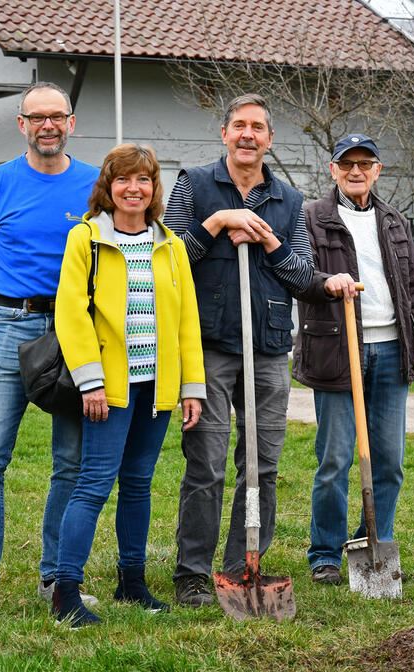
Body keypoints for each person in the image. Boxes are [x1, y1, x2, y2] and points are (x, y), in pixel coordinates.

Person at [0, 82, 99, 619]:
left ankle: (57, 579)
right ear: (22, 124)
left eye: (57, 116)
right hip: (13, 323)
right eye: (38, 118)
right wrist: (17, 306)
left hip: (78, 329)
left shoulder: (95, 184)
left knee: (71, 461)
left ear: (71, 123)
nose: (48, 126)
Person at [162, 94, 314, 606]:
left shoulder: (290, 201)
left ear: (269, 139)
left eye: (258, 128)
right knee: (206, 464)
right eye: (238, 126)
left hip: (269, 349)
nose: (247, 135)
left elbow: (304, 278)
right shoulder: (195, 184)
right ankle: (192, 573)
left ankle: (242, 566)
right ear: (224, 133)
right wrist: (218, 221)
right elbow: (172, 257)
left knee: (262, 465)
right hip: (207, 344)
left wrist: (272, 245)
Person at [49, 144, 206, 627]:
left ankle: (131, 582)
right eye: (124, 180)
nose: (133, 189)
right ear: (108, 188)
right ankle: (65, 592)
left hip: (157, 388)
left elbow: (186, 322)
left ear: (154, 188)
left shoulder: (171, 245)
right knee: (94, 484)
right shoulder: (87, 240)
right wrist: (90, 383)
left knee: (138, 485)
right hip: (109, 390)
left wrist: (192, 387)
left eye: (143, 180)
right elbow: (71, 314)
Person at [292, 133, 414, 585]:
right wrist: (328, 281)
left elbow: (411, 290)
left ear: (377, 170)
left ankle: (375, 539)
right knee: (335, 459)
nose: (355, 171)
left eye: (364, 164)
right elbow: (299, 274)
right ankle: (325, 553)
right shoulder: (311, 217)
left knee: (389, 460)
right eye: (346, 164)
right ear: (333, 170)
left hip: (391, 349)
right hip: (337, 347)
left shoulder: (394, 221)